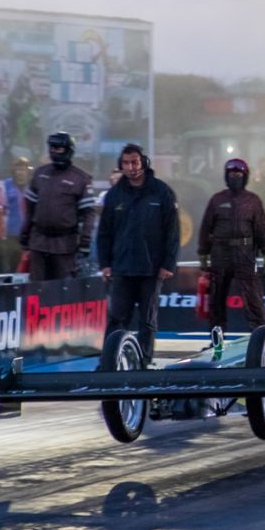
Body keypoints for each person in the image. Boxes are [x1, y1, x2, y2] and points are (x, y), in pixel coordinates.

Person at [98, 144, 179, 365]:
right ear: (121, 165)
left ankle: (143, 364)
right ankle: (109, 364)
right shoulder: (114, 195)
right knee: (116, 319)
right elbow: (104, 233)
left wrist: (168, 264)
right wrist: (105, 264)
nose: (131, 167)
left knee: (147, 321)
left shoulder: (162, 192)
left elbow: (173, 232)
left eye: (134, 162)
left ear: (143, 162)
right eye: (126, 163)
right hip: (122, 269)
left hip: (151, 269)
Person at [198, 158, 265, 331]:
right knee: (216, 300)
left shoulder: (252, 201)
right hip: (220, 254)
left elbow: (262, 228)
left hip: (245, 253)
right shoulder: (217, 200)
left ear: (245, 177)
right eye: (232, 174)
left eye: (238, 175)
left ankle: (262, 336)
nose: (235, 178)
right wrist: (203, 255)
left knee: (253, 299)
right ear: (226, 176)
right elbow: (206, 228)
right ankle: (217, 340)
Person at [21, 132, 96, 281]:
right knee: (36, 287)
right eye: (52, 148)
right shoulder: (39, 173)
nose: (54, 151)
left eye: (59, 148)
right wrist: (25, 234)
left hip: (65, 244)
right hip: (38, 242)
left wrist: (85, 241)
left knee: (63, 288)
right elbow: (29, 209)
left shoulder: (81, 178)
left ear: (68, 150)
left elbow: (88, 213)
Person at [2, 157, 32, 271]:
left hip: (30, 231)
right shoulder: (6, 184)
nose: (20, 172)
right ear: (13, 171)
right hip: (12, 231)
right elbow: (2, 207)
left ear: (28, 171)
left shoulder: (34, 184)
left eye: (23, 169)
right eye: (18, 169)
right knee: (13, 262)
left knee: (30, 262)